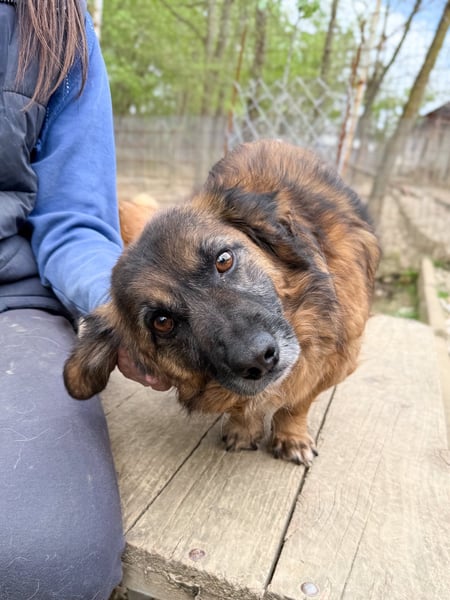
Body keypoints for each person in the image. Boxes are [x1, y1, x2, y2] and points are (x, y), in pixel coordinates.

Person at [0, 1, 168, 598]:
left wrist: (118, 303)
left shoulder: (55, 25)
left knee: (49, 555)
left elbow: (73, 219)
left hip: (11, 299)